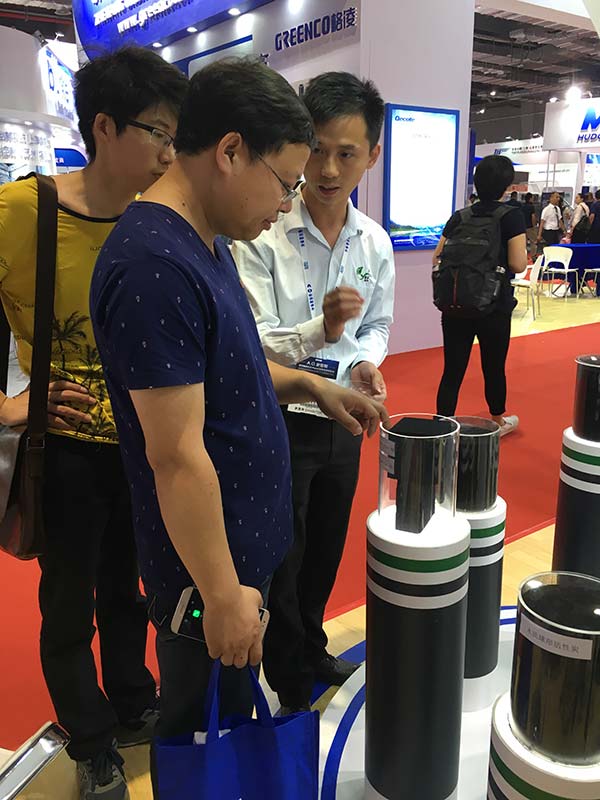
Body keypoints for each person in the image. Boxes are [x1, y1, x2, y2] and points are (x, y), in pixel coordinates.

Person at [88, 58, 388, 791]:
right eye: (284, 182)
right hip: (204, 580)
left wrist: (312, 387)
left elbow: (234, 367)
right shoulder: (154, 266)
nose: (286, 205)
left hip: (236, 556)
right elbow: (176, 456)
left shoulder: (203, 240)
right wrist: (222, 596)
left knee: (227, 731)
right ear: (229, 151)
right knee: (202, 741)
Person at [0, 47, 187, 800]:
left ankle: (134, 702)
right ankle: (90, 738)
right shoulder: (23, 212)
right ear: (104, 127)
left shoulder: (158, 218)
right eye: (158, 133)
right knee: (69, 602)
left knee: (129, 589)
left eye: (176, 137)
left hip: (146, 447)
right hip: (65, 451)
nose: (170, 154)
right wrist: (8, 406)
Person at [232, 71, 394, 713]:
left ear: (372, 155)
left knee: (326, 544)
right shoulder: (263, 230)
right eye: (318, 150)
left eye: (346, 154)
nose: (327, 170)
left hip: (346, 418)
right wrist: (318, 331)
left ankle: (312, 646)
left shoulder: (373, 241)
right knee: (285, 553)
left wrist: (367, 361)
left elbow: (377, 322)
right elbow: (252, 343)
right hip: (282, 416)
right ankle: (288, 675)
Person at [433, 155, 527, 436]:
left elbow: (437, 256)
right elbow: (518, 264)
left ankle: (442, 426)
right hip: (494, 305)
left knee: (452, 369)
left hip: (456, 303)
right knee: (493, 366)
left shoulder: (459, 216)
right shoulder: (511, 216)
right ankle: (497, 420)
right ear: (506, 185)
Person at [521, 192, 538, 256]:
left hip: (523, 227)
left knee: (524, 242)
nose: (533, 200)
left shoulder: (522, 206)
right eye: (532, 198)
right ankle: (533, 256)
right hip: (530, 227)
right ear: (530, 199)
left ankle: (523, 255)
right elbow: (533, 217)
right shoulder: (531, 207)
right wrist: (534, 226)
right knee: (533, 242)